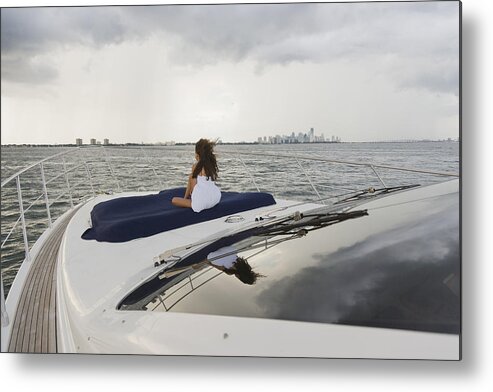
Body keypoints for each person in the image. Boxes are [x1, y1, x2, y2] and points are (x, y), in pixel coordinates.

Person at [172, 138, 221, 212]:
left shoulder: (195, 167)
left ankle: (185, 198)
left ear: (197, 154)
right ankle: (185, 198)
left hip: (201, 202)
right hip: (215, 198)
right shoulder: (211, 165)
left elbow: (193, 189)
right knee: (191, 177)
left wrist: (187, 199)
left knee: (174, 200)